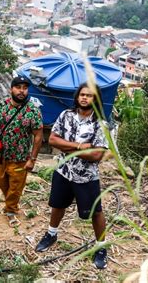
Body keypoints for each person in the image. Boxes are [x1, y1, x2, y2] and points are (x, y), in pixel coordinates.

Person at [35, 83, 109, 269]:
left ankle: (101, 247)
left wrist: (66, 146)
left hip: (87, 177)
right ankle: (51, 234)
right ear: (77, 97)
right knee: (57, 205)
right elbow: (52, 139)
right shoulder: (65, 115)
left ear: (95, 99)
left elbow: (96, 155)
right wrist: (78, 147)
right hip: (64, 171)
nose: (84, 98)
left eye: (89, 96)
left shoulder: (100, 124)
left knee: (95, 212)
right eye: (82, 94)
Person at [0, 75, 43, 227]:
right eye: (18, 87)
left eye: (25, 88)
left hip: (20, 158)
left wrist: (32, 159)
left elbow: (38, 136)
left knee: (16, 187)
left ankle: (11, 210)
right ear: (11, 89)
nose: (22, 91)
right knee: (2, 182)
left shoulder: (33, 111)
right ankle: (10, 202)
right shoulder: (1, 106)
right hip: (0, 155)